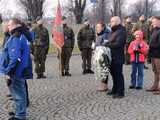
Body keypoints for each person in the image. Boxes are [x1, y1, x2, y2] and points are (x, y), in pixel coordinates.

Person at [0, 18, 32, 120]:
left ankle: (20, 116)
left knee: (18, 94)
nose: (8, 27)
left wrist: (9, 72)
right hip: (19, 71)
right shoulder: (20, 35)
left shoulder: (16, 37)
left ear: (15, 25)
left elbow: (15, 58)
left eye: (9, 25)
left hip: (15, 72)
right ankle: (19, 112)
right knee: (19, 93)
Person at [104, 16, 126, 99]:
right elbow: (109, 41)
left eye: (112, 21)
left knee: (118, 75)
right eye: (110, 21)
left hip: (118, 57)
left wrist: (107, 44)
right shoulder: (112, 31)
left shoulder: (121, 31)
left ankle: (120, 92)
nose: (110, 23)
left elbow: (118, 44)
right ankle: (115, 89)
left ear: (117, 22)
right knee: (113, 74)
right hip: (111, 57)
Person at [92, 22, 111, 91]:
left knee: (104, 69)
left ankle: (104, 86)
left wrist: (99, 46)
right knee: (100, 69)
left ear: (103, 27)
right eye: (96, 27)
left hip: (104, 55)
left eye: (98, 27)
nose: (97, 28)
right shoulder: (99, 34)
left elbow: (105, 45)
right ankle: (103, 85)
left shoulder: (106, 35)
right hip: (98, 55)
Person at [146, 16, 160, 95]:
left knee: (159, 71)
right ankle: (155, 86)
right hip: (153, 54)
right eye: (152, 21)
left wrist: (150, 46)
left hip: (158, 55)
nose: (152, 23)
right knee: (155, 71)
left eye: (154, 21)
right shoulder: (154, 30)